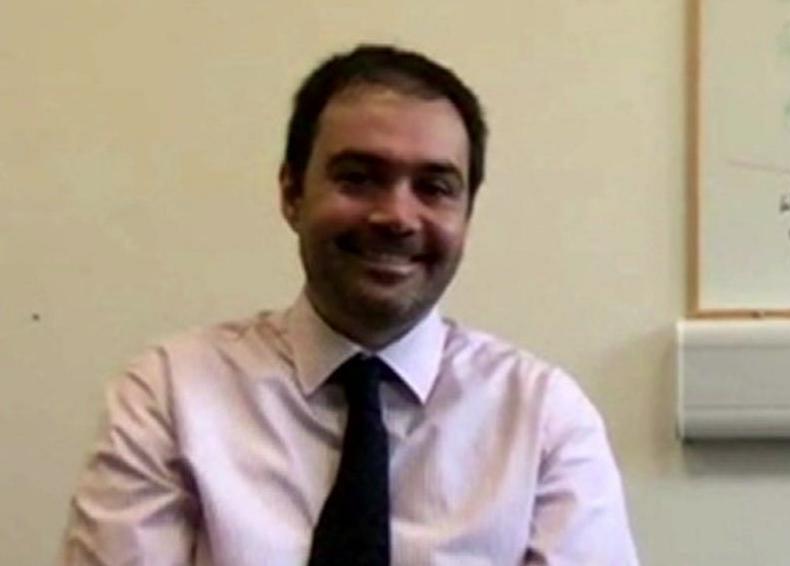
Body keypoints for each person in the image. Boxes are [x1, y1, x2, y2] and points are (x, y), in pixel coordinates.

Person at [62, 45, 639, 565]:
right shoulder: (171, 396)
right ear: (291, 193)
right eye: (359, 178)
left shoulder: (541, 419)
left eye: (434, 187)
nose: (396, 216)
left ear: (467, 213)